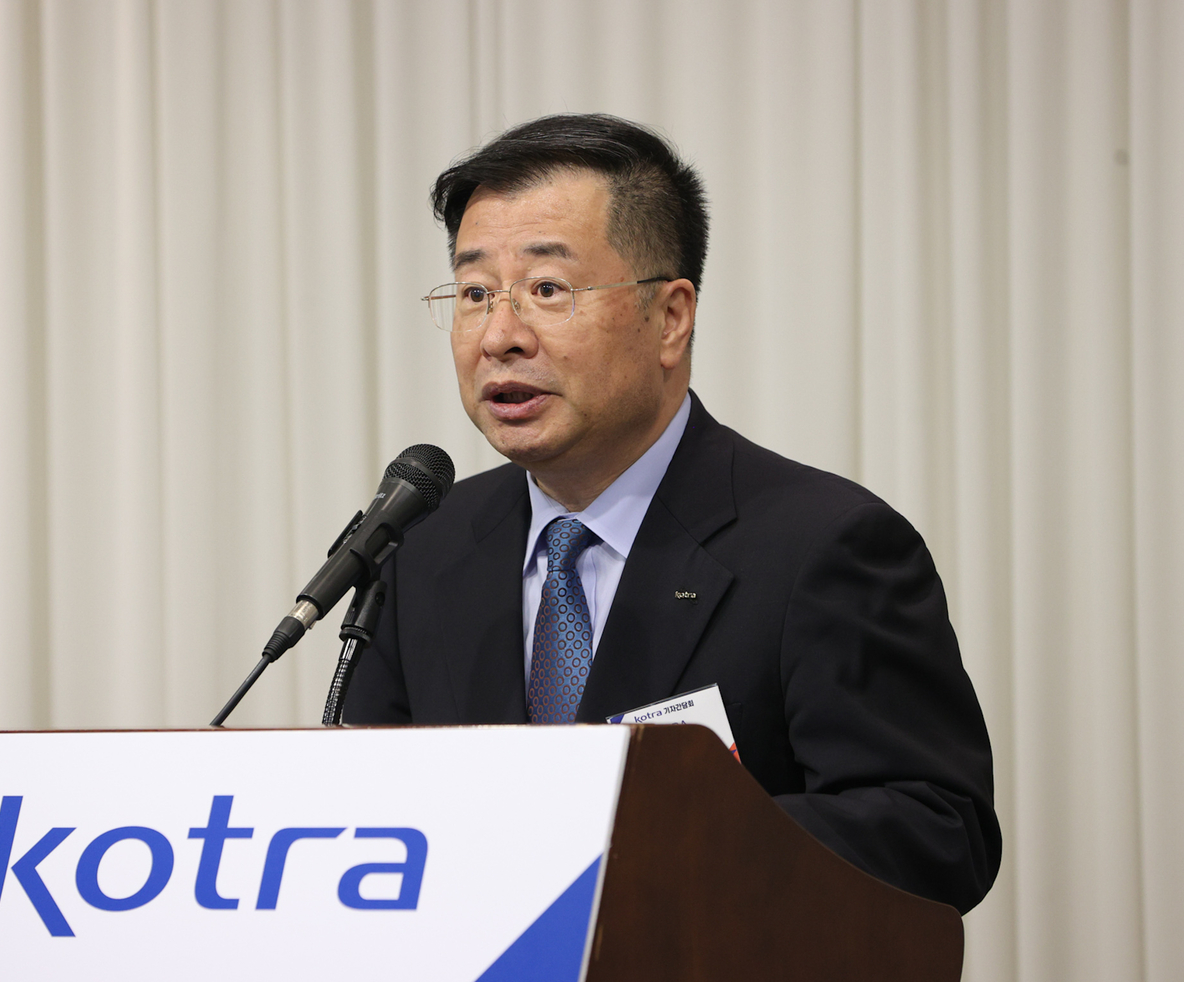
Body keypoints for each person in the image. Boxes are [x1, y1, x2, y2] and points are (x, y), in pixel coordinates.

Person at [343, 114, 1000, 914]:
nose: (500, 336)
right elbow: (370, 822)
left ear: (671, 317)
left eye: (548, 290)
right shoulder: (424, 546)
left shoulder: (821, 545)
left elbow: (936, 832)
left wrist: (640, 844)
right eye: (476, 293)